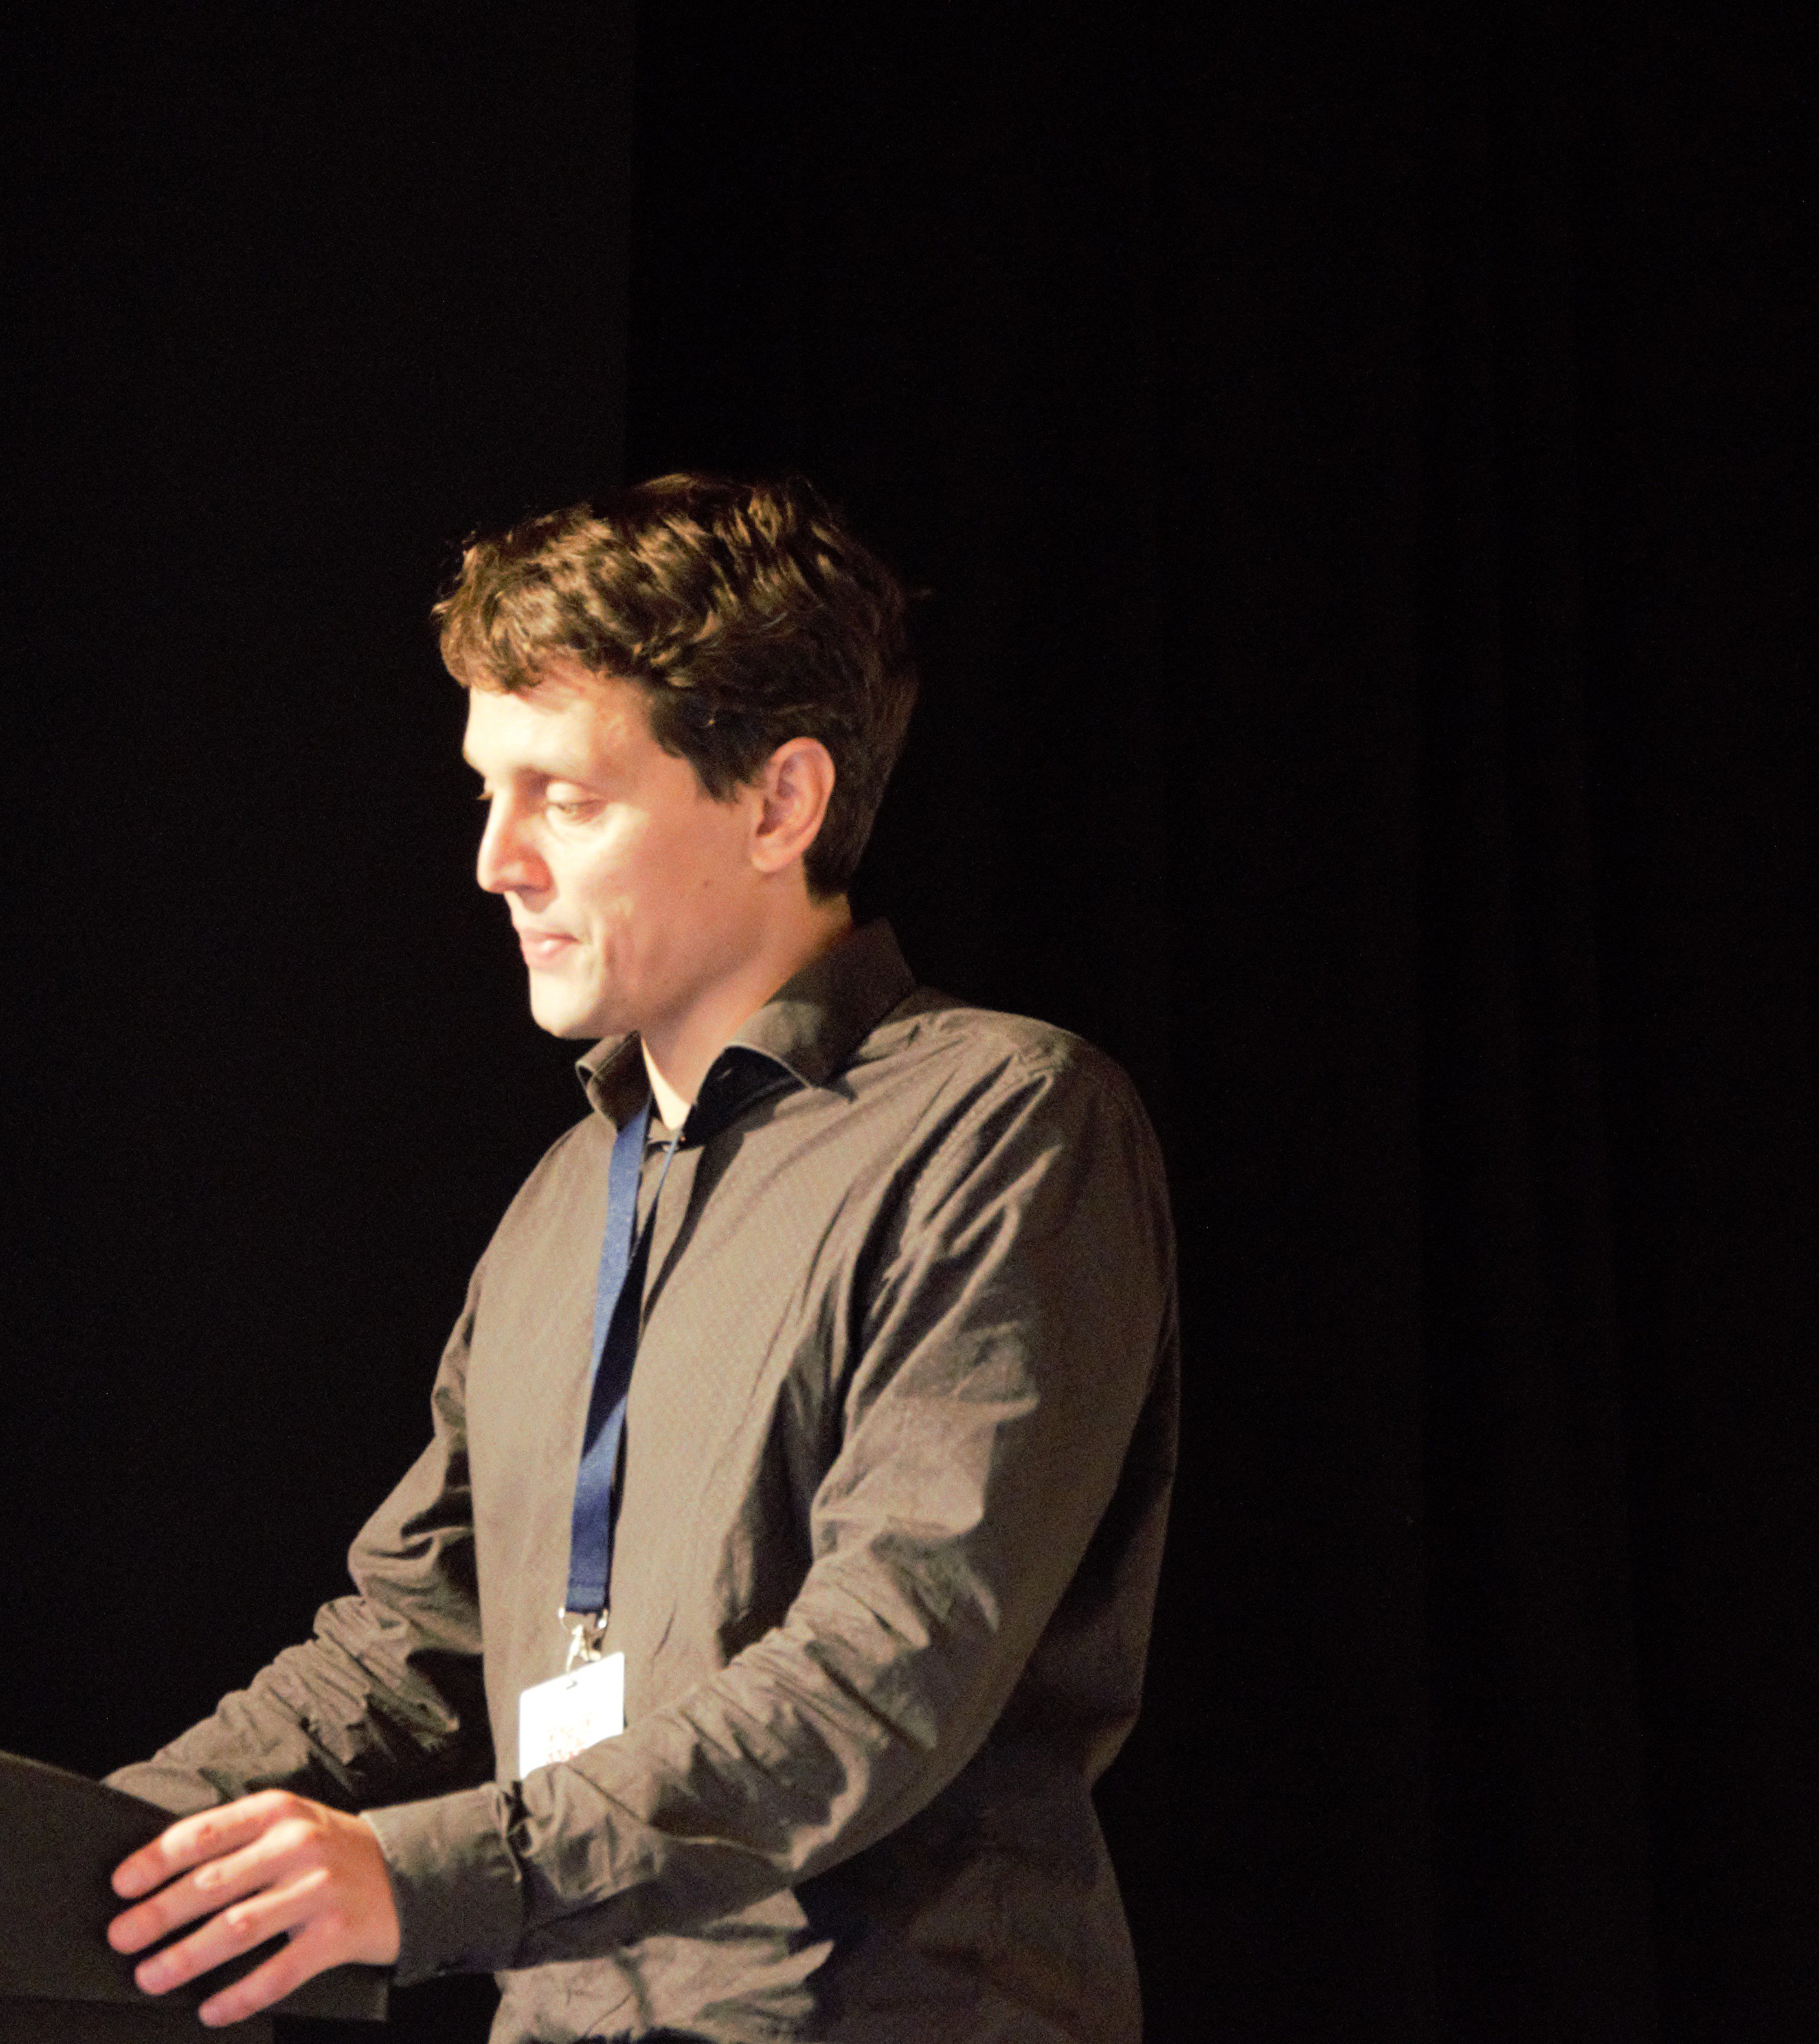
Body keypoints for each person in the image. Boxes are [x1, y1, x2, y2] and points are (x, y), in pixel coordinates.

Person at [98, 472, 1181, 2043]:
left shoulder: (1002, 1124)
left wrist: (426, 1876)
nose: (498, 860)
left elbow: (883, 1669)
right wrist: (82, 1853)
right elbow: (407, 1647)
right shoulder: (564, 1200)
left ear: (779, 804)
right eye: (489, 791)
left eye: (568, 798)